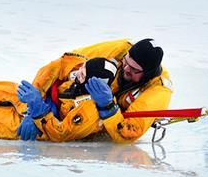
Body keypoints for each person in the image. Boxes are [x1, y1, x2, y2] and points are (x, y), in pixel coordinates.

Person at [18, 38, 173, 143]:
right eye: (125, 62)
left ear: (147, 73)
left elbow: (129, 133)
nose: (125, 69)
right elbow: (62, 64)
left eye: (133, 69)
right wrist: (31, 109)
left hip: (93, 116)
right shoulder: (122, 49)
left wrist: (107, 106)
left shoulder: (158, 90)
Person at [0, 57, 117, 141]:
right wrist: (37, 98)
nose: (76, 73)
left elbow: (62, 133)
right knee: (10, 91)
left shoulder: (89, 111)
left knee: (1, 120)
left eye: (82, 73)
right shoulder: (78, 76)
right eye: (81, 68)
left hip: (41, 126)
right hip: (39, 106)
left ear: (93, 83)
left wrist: (39, 111)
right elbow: (58, 65)